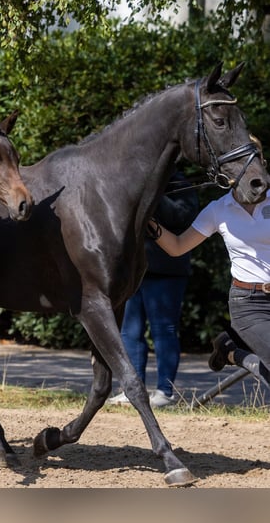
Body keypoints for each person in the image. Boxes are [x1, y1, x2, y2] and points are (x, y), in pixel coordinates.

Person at [148, 172, 270, 392]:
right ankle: (235, 352)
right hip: (250, 304)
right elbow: (177, 246)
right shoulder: (219, 209)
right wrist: (148, 220)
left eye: (257, 160)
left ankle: (232, 351)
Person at [108, 171, 199, 407]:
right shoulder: (130, 181)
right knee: (129, 332)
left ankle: (165, 392)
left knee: (164, 330)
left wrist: (153, 192)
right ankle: (132, 390)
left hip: (167, 271)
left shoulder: (180, 183)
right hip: (132, 271)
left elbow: (181, 217)